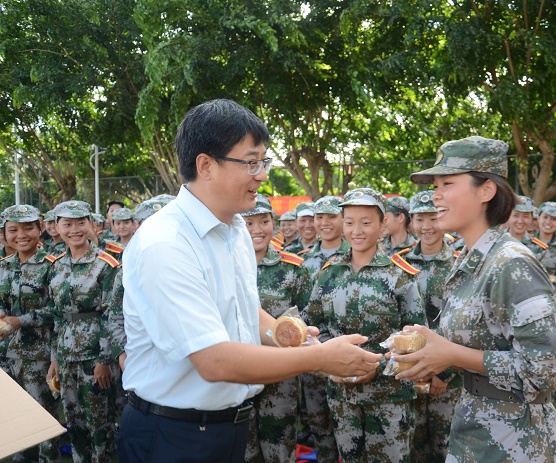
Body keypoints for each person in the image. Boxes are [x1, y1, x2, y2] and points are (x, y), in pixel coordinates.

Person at [116, 99, 381, 463]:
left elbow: (244, 311)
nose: (262, 174)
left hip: (229, 426)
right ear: (206, 165)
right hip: (173, 434)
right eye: (251, 162)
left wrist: (291, 340)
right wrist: (319, 359)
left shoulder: (235, 229)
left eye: (264, 162)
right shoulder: (166, 243)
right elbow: (214, 361)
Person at [398, 136, 556, 463]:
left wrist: (452, 354)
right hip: (478, 427)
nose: (435, 195)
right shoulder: (471, 259)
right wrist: (432, 351)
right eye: (434, 185)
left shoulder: (511, 264)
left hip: (516, 439)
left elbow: (550, 368)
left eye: (447, 183)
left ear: (486, 190)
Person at [306, 187, 426, 463]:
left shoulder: (400, 276)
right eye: (349, 222)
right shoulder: (328, 273)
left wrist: (377, 367)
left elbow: (417, 339)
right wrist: (330, 361)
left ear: (383, 224)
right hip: (342, 397)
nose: (356, 231)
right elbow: (313, 328)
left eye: (366, 222)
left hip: (390, 398)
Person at [46, 200, 121, 463]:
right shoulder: (55, 265)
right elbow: (57, 316)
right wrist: (55, 357)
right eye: (67, 224)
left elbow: (112, 314)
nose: (74, 230)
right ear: (57, 227)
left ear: (91, 225)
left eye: (80, 223)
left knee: (100, 426)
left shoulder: (106, 265)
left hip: (94, 360)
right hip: (67, 358)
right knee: (74, 423)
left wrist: (104, 360)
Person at [241, 195, 308, 463]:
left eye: (264, 221)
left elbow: (305, 318)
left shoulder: (292, 268)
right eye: (249, 223)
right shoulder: (226, 266)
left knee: (279, 446)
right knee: (244, 448)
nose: (257, 230)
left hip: (281, 373)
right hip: (239, 369)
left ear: (274, 223)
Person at [402, 190, 463, 463]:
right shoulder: (398, 262)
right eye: (419, 219)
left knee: (445, 444)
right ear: (411, 222)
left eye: (433, 218)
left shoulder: (460, 262)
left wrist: (444, 373)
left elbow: (463, 323)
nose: (426, 226)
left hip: (446, 376)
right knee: (412, 442)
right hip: (410, 370)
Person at [0, 205, 61, 462]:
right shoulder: (3, 265)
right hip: (7, 355)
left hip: (40, 355)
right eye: (13, 230)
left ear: (40, 229)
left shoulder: (53, 265)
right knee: (15, 419)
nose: (21, 235)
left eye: (28, 228)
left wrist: (19, 321)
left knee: (43, 419)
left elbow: (59, 311)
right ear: (4, 233)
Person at [296, 195, 348, 463]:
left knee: (349, 426)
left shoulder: (357, 255)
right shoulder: (301, 260)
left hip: (347, 355)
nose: (325, 223)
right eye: (320, 217)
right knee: (319, 422)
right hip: (313, 354)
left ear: (343, 219)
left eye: (331, 216)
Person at [523, 201, 556, 312]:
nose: (548, 222)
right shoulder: (524, 243)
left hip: (551, 302)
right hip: (525, 300)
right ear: (538, 218)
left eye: (554, 219)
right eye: (545, 217)